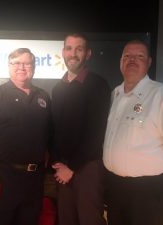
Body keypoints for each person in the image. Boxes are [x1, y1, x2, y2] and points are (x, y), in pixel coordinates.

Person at [103, 39, 163, 225]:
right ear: (120, 61)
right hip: (116, 188)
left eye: (139, 56)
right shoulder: (115, 94)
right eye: (127, 56)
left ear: (149, 62)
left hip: (149, 192)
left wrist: (161, 172)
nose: (132, 60)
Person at [0, 48, 51, 225]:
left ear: (34, 67)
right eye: (16, 63)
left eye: (27, 63)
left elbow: (48, 132)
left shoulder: (44, 96)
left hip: (34, 179)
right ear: (9, 66)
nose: (22, 67)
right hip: (4, 177)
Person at [51, 33, 111, 225]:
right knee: (66, 219)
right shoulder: (58, 88)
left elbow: (96, 132)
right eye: (69, 48)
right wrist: (58, 163)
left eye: (79, 49)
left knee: (89, 219)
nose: (73, 53)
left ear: (88, 54)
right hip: (64, 167)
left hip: (88, 167)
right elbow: (56, 129)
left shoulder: (98, 85)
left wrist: (72, 167)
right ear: (63, 52)